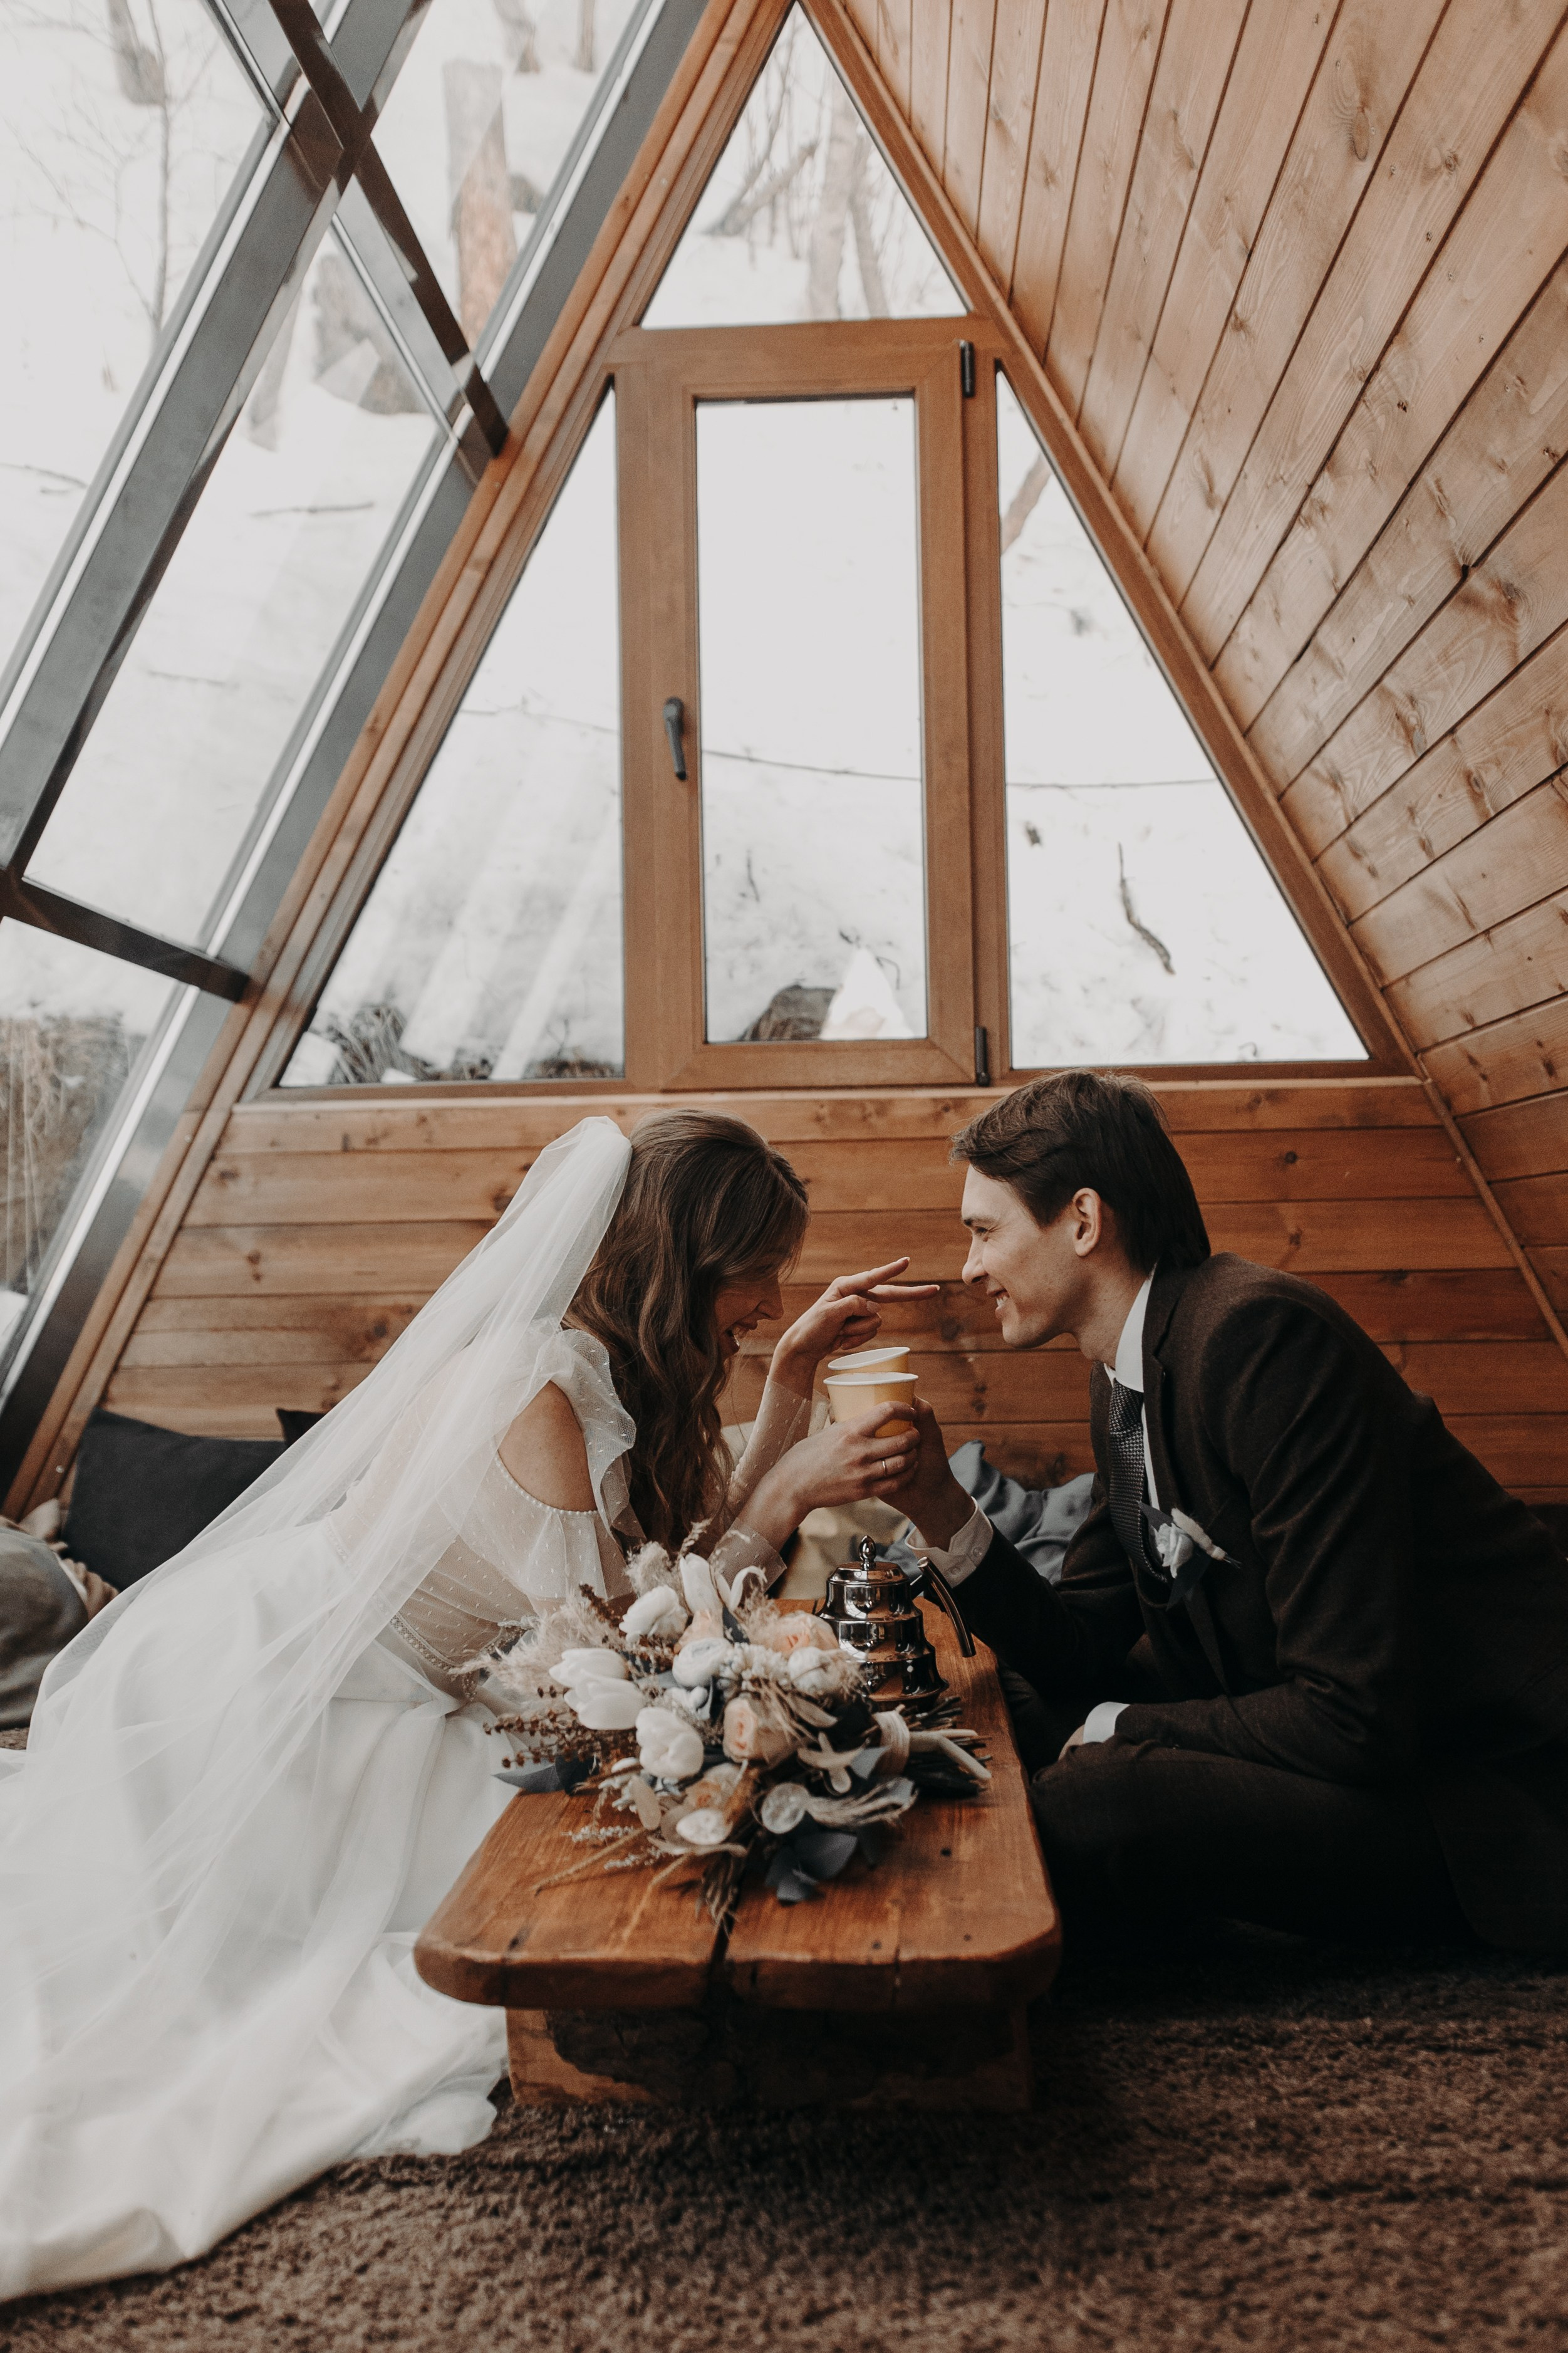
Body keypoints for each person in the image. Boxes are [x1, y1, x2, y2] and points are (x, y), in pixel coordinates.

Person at [0, 1111, 930, 2299]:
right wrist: (787, 1495)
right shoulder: (532, 1394)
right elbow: (626, 1655)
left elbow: (676, 1575)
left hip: (409, 1697)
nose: (773, 1297)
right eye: (761, 1273)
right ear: (685, 1265)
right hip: (287, 1689)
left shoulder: (598, 1378)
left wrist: (789, 1379)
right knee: (302, 1968)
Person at [886, 1070, 1568, 1953]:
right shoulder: (1123, 1371)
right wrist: (937, 1502)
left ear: (1084, 1222)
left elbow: (1353, 1714)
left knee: (1096, 1801)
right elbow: (1078, 1644)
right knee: (993, 1704)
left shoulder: (1260, 1338)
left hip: (1485, 1793)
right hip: (1320, 1728)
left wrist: (1123, 1728)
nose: (970, 1266)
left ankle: (938, 1943)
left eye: (985, 1231)